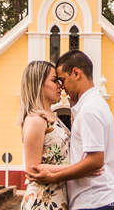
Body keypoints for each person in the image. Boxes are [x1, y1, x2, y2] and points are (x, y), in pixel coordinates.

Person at [27, 50, 114, 210]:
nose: (62, 87)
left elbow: (95, 161)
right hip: (93, 200)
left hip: (93, 201)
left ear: (76, 73)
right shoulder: (94, 105)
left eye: (62, 80)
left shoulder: (89, 110)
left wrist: (54, 175)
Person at [20, 60, 70, 210]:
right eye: (54, 80)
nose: (60, 85)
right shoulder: (36, 120)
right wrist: (79, 168)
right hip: (42, 203)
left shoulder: (54, 118)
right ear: (39, 83)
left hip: (58, 200)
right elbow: (32, 170)